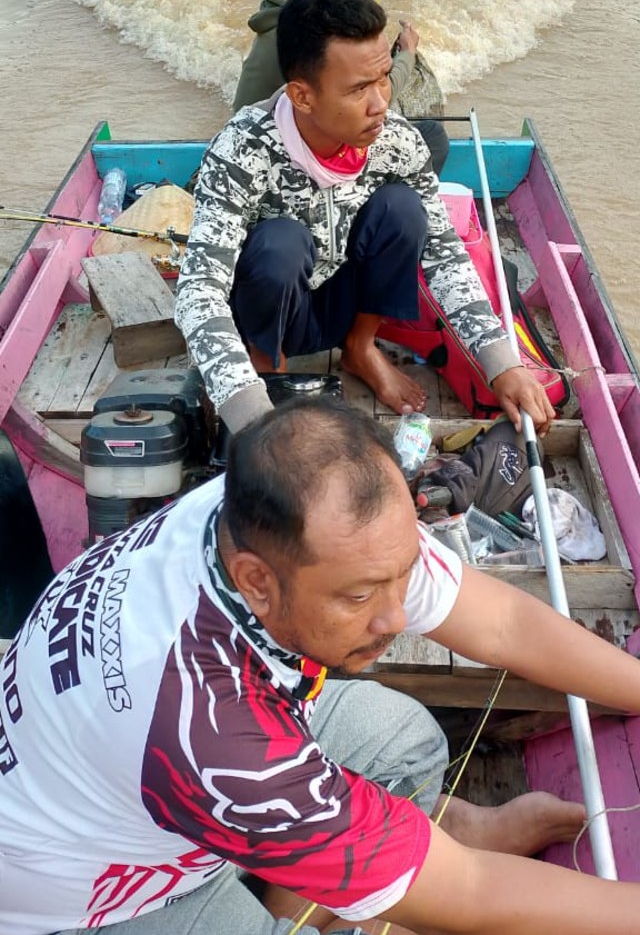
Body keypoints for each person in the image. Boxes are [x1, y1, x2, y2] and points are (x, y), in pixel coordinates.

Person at [2, 396, 640, 935]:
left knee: (405, 739)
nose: (394, 619)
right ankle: (304, 890)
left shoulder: (271, 516)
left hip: (131, 774)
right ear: (257, 580)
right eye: (361, 596)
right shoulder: (219, 741)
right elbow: (470, 893)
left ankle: (328, 864)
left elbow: (502, 623)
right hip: (93, 890)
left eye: (404, 575)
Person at [176, 0, 553, 436]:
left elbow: (443, 252)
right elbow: (199, 291)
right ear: (302, 96)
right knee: (281, 243)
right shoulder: (240, 150)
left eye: (384, 79)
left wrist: (501, 364)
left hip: (346, 300)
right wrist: (250, 417)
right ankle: (267, 367)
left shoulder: (396, 140)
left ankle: (361, 347)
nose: (381, 105)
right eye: (358, 89)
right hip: (273, 307)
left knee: (403, 209)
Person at [233, 0, 449, 174]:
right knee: (432, 137)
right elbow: (380, 93)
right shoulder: (302, 33)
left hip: (305, 141)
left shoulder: (295, 17)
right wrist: (407, 53)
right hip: (288, 165)